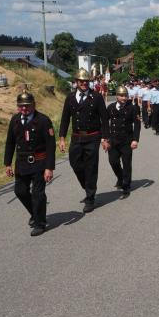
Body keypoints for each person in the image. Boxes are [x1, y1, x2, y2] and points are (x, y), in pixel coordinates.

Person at [4, 92, 56, 236]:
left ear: (34, 105)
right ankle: (35, 212)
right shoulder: (15, 120)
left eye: (27, 106)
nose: (24, 109)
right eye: (21, 106)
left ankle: (40, 223)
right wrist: (7, 163)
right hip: (21, 163)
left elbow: (50, 146)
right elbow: (10, 143)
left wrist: (49, 168)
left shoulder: (43, 120)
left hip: (39, 162)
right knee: (19, 191)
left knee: (38, 194)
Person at [59, 68, 110, 213]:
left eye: (86, 81)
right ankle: (87, 186)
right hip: (76, 137)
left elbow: (104, 119)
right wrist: (62, 138)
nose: (84, 83)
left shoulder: (96, 97)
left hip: (93, 136)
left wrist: (105, 138)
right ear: (76, 82)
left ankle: (90, 198)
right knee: (75, 164)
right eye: (81, 81)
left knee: (91, 167)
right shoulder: (70, 98)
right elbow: (64, 119)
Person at [107, 86, 141, 198]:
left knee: (126, 163)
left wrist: (135, 140)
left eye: (125, 95)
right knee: (113, 162)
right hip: (113, 140)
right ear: (116, 96)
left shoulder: (133, 108)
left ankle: (126, 185)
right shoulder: (111, 107)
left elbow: (137, 124)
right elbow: (105, 123)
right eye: (121, 95)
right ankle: (120, 177)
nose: (124, 98)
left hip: (127, 140)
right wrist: (105, 138)